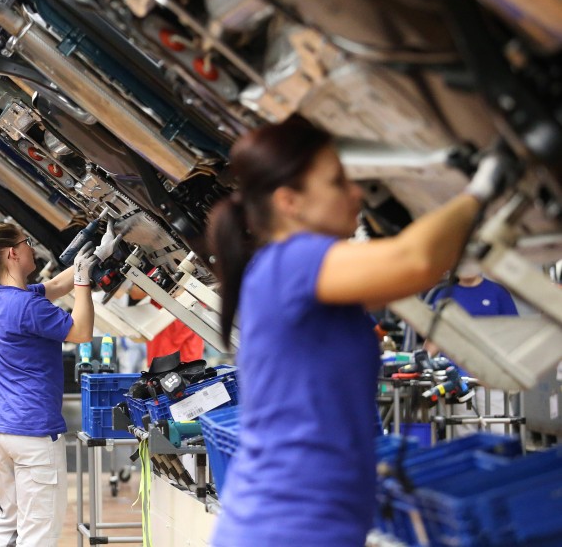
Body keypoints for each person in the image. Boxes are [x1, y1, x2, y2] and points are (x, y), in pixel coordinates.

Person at [205, 114, 513, 546]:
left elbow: (410, 270)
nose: (355, 193)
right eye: (336, 183)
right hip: (286, 529)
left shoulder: (292, 270)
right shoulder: (293, 261)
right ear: (290, 201)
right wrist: (483, 187)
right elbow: (415, 261)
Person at [0, 222, 118, 547]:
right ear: (12, 253)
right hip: (32, 434)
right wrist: (82, 280)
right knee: (38, 532)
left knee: (7, 522)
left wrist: (96, 259)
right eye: (26, 242)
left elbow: (54, 287)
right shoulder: (26, 306)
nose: (31, 247)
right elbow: (80, 332)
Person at [427, 265, 519, 434]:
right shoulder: (444, 295)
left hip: (492, 377)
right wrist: (421, 360)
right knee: (463, 432)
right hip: (456, 378)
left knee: (499, 430)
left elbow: (513, 334)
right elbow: (436, 337)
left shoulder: (497, 293)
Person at [128, 285, 204, 368]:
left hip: (181, 317)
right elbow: (135, 293)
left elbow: (135, 293)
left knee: (186, 371)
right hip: (170, 320)